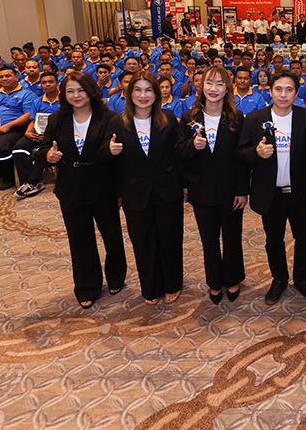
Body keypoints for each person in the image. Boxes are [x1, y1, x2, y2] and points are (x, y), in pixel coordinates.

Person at [38, 71, 126, 309]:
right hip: (71, 186)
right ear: (63, 94)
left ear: (91, 91)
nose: (76, 95)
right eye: (70, 91)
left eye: (81, 90)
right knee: (79, 239)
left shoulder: (110, 118)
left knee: (112, 236)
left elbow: (115, 156)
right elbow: (42, 149)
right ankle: (87, 285)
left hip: (103, 184)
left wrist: (119, 189)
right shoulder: (57, 119)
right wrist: (48, 156)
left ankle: (116, 276)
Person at [238, 70, 306, 305]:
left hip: (301, 193)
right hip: (270, 193)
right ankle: (279, 279)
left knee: (304, 238)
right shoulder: (255, 119)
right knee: (273, 240)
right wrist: (256, 152)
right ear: (270, 91)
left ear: (296, 93)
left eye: (289, 90)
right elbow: (241, 154)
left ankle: (302, 279)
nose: (283, 94)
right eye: (278, 89)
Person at [102, 71, 184, 306]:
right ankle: (150, 286)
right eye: (137, 90)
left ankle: (172, 283)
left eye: (148, 90)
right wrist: (109, 150)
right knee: (142, 241)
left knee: (170, 239)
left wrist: (185, 186)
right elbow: (106, 157)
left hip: (167, 189)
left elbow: (179, 154)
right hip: (134, 192)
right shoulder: (117, 122)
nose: (143, 95)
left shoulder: (168, 118)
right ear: (129, 94)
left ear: (156, 94)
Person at [179, 66, 248, 304]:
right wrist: (192, 146)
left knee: (232, 237)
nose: (214, 89)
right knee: (208, 239)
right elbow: (179, 152)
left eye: (220, 84)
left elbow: (242, 157)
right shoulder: (189, 117)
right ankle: (214, 282)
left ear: (227, 88)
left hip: (231, 190)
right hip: (201, 189)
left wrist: (242, 190)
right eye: (209, 83)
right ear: (201, 86)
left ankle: (233, 277)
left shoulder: (237, 118)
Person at [13, 72, 62, 198]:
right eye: (44, 82)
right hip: (39, 132)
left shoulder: (65, 99)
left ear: (57, 83)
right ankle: (27, 181)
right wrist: (28, 132)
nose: (47, 84)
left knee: (42, 150)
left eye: (51, 82)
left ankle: (32, 182)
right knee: (19, 149)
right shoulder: (37, 101)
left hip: (58, 135)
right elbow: (33, 120)